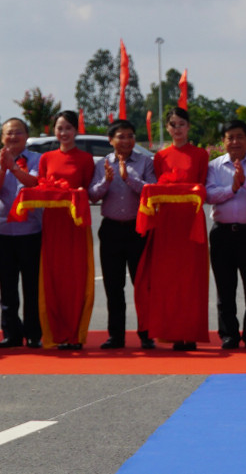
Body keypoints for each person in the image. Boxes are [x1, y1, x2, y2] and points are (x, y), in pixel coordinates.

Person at [137, 107, 209, 350]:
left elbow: (203, 187)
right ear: (167, 128)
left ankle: (191, 332)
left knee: (191, 280)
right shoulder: (160, 157)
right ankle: (173, 332)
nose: (177, 129)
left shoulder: (200, 155)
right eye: (173, 125)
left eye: (181, 124)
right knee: (169, 281)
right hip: (167, 226)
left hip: (191, 224)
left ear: (188, 127)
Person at [88, 119, 155, 349]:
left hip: (138, 229)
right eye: (121, 136)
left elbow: (151, 190)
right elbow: (92, 195)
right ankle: (116, 335)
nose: (126, 140)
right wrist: (107, 182)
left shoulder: (145, 162)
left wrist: (128, 178)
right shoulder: (103, 164)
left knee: (143, 285)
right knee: (113, 286)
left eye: (130, 136)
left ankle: (146, 333)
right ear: (111, 140)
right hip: (111, 229)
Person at [32, 111, 95, 350]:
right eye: (60, 128)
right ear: (54, 131)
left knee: (76, 278)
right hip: (52, 224)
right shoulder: (46, 158)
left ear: (76, 131)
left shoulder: (86, 159)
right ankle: (56, 333)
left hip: (76, 224)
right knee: (53, 278)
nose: (64, 133)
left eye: (68, 128)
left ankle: (76, 333)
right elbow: (41, 186)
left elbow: (88, 191)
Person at [205, 120, 246, 350]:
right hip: (222, 233)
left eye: (240, 137)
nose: (235, 142)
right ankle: (229, 335)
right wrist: (232, 189)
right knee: (225, 288)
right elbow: (209, 195)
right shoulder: (214, 166)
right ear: (223, 141)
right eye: (230, 137)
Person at [0, 118, 42, 348]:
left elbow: (35, 183)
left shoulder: (37, 159)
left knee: (31, 285)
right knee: (7, 286)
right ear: (2, 138)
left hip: (30, 229)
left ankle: (33, 333)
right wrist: (2, 168)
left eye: (18, 132)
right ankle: (11, 332)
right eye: (8, 133)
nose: (13, 137)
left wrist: (15, 168)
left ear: (26, 135)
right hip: (3, 230)